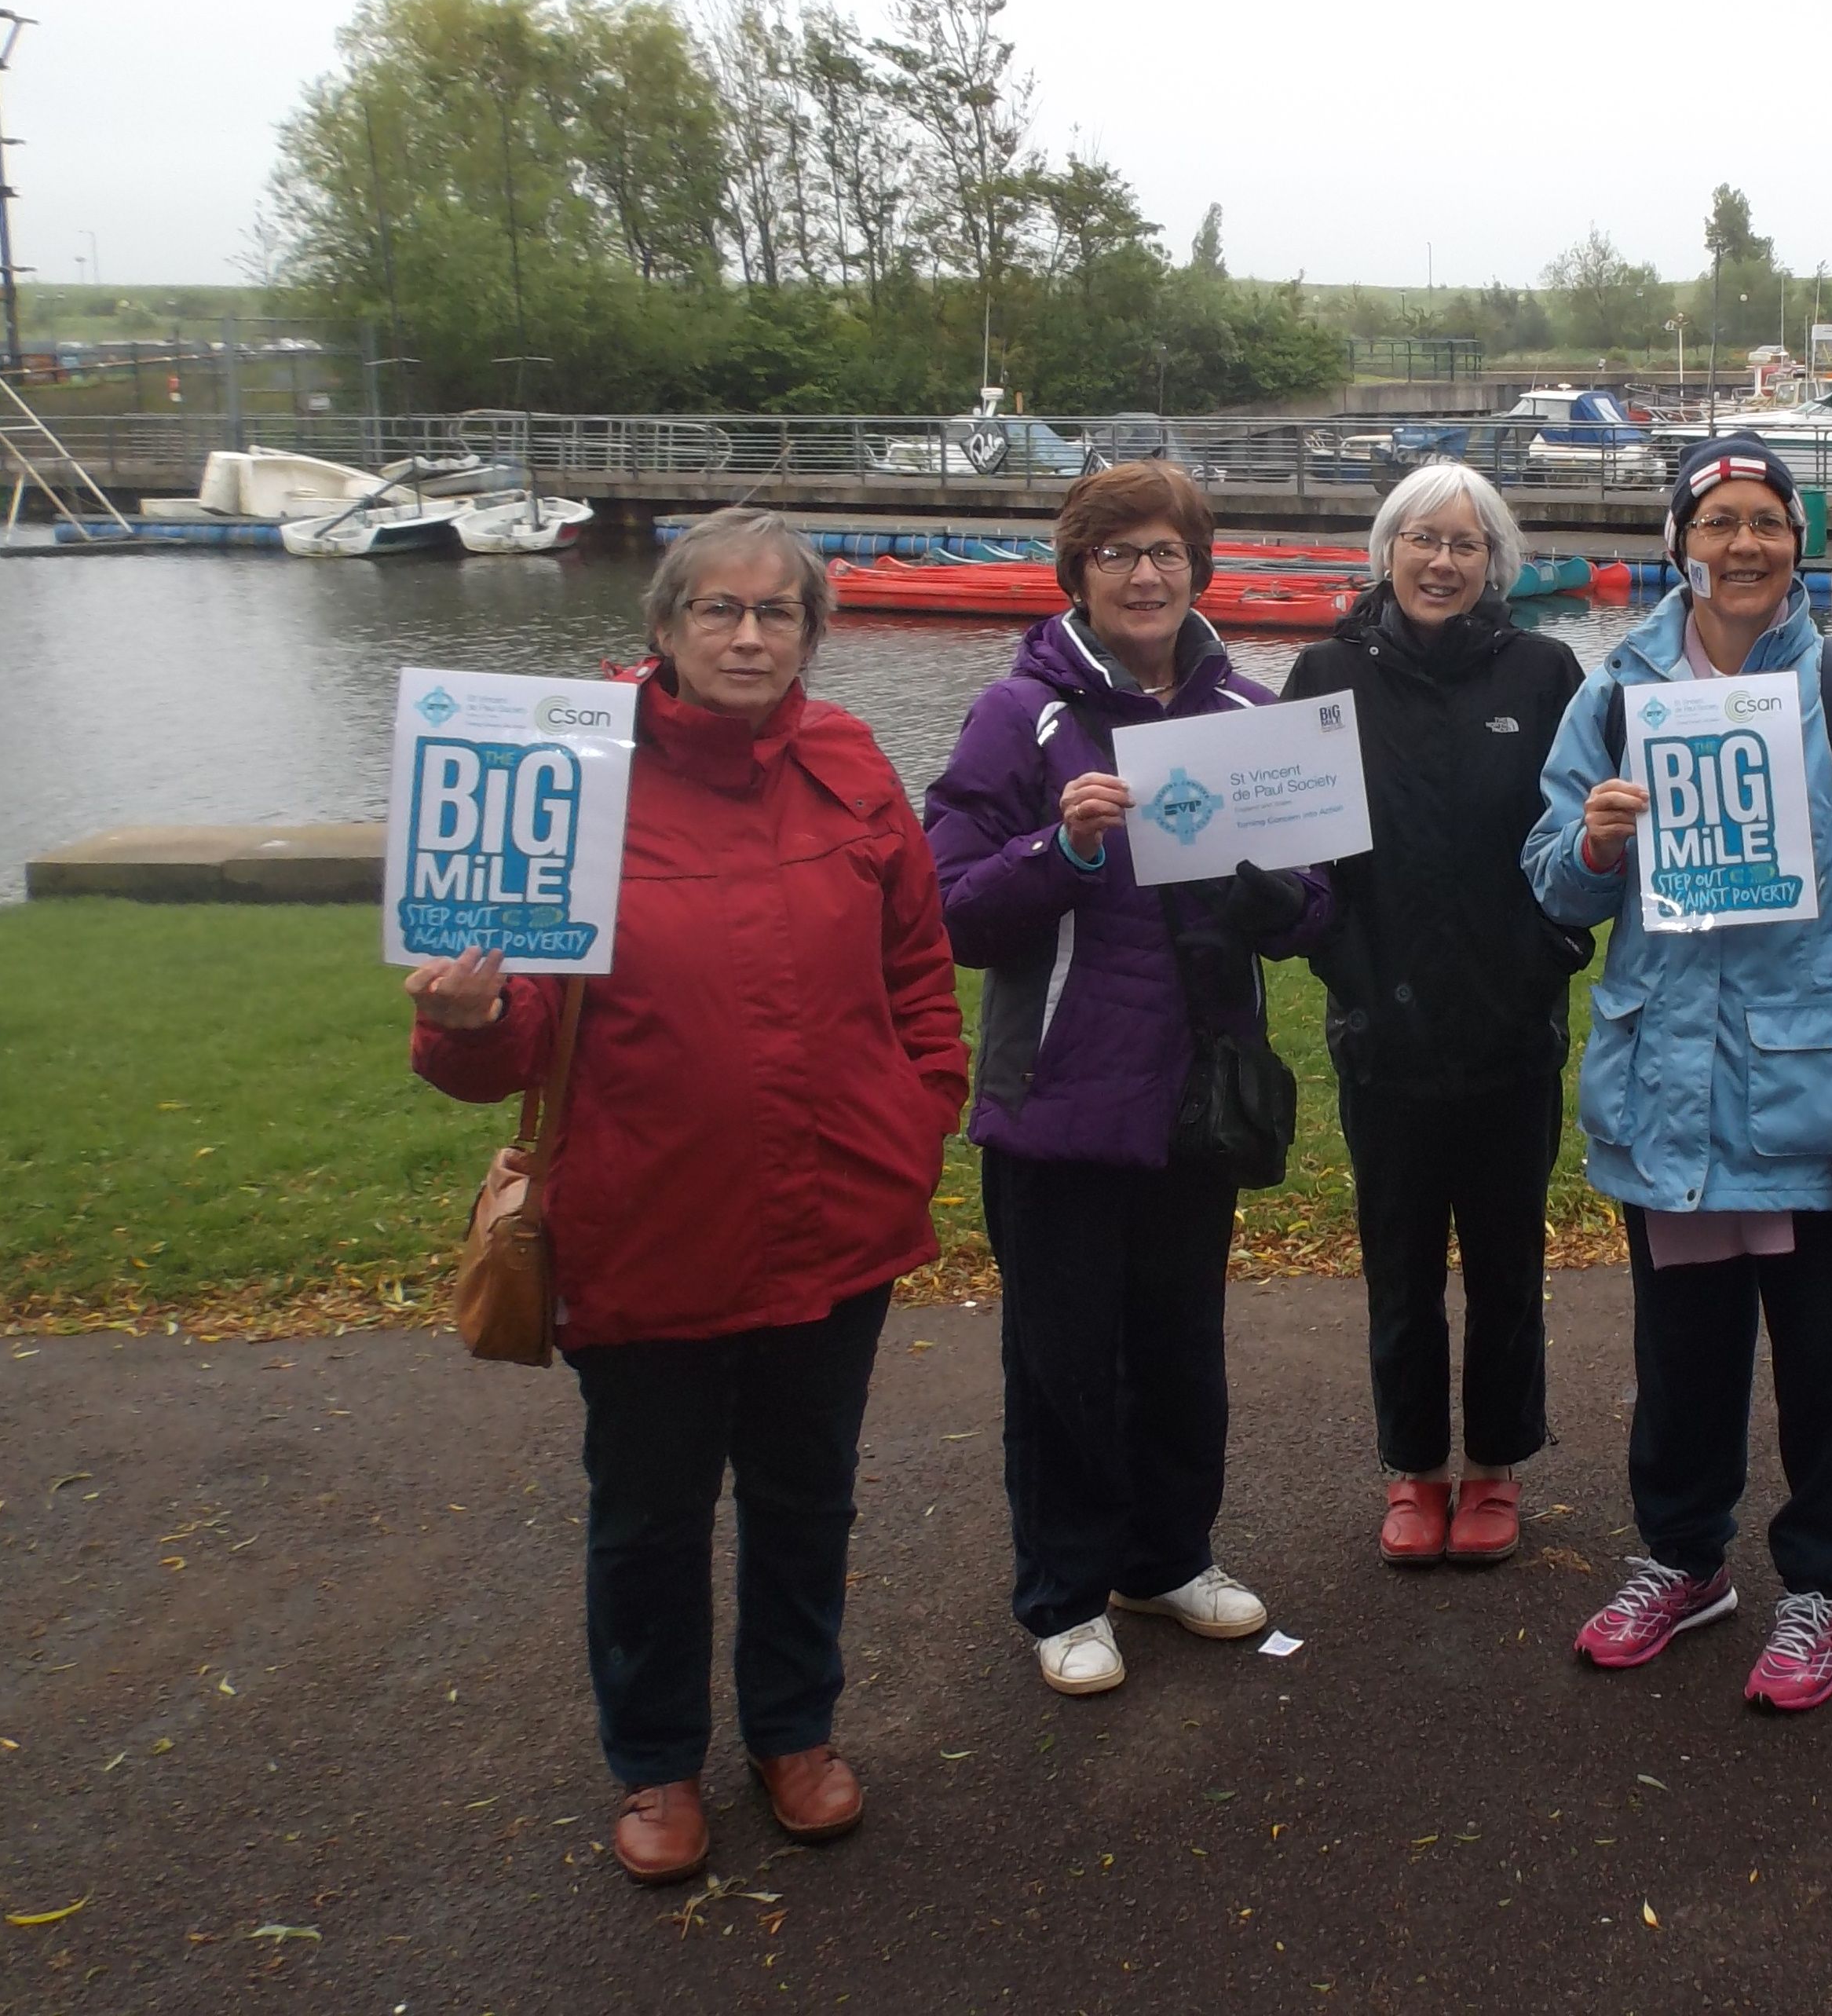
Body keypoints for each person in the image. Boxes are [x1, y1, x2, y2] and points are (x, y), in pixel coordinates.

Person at [405, 507, 967, 1886]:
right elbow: (509, 1046)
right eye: (718, 610)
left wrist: (918, 1114)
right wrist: (472, 1022)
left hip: (833, 1217)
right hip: (645, 1222)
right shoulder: (566, 769)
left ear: (812, 638)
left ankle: (793, 1731)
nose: (749, 634)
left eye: (778, 613)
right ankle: (654, 1762)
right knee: (648, 1514)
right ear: (662, 629)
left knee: (804, 1495)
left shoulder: (849, 765)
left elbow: (917, 971)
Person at [1523, 437, 1832, 1714]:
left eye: (1768, 520)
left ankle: (1824, 1582)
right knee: (1684, 1353)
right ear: (1681, 541)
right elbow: (1546, 878)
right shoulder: (1613, 695)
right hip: (1670, 1088)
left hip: (1812, 1096)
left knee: (1827, 1359)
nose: (1745, 545)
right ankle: (1682, 1558)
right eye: (1720, 521)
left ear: (1798, 543)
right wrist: (1594, 847)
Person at [923, 463, 1336, 1703]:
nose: (1145, 575)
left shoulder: (1247, 713)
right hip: (1057, 1099)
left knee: (1178, 1348)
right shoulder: (1020, 716)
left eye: (1165, 553)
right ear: (1080, 576)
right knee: (1062, 1362)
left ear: (1196, 569)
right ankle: (1062, 1591)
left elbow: (1311, 907)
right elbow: (952, 909)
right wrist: (1065, 846)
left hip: (1193, 1098)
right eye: (1118, 556)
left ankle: (1166, 1558)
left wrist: (1272, 891)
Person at [1280, 464, 1589, 1566]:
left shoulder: (1546, 671)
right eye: (1422, 539)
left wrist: (1549, 956)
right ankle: (1414, 1468)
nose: (1442, 562)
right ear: (1387, 552)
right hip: (1385, 1031)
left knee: (1508, 1264)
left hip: (1512, 1029)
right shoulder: (1324, 674)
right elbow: (1295, 856)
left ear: (1494, 563)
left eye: (1465, 544)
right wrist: (1341, 973)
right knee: (1399, 1263)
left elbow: (1577, 836)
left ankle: (1497, 1464)